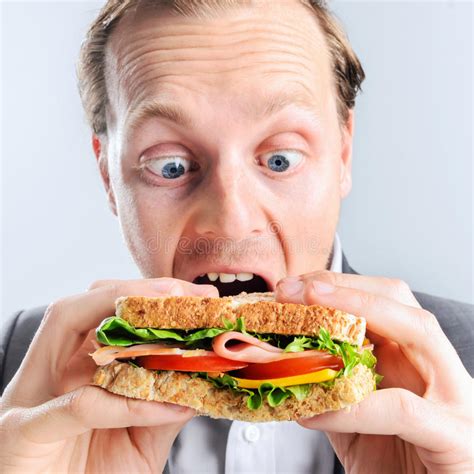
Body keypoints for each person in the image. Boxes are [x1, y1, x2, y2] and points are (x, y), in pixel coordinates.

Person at [1, 1, 472, 473]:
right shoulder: (12, 379)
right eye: (171, 167)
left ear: (343, 154)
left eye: (281, 159)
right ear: (108, 176)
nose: (231, 220)